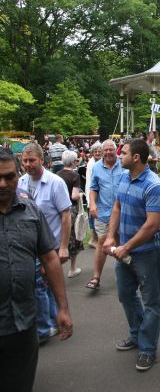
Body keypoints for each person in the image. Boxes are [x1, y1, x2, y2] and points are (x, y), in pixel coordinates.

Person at [0, 148, 73, 392]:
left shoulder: (30, 211)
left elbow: (50, 260)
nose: (3, 184)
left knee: (20, 384)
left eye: (9, 177)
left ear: (17, 175)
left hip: (24, 323)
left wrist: (62, 308)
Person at [103, 138, 160, 372]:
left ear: (136, 157)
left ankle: (148, 349)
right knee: (125, 294)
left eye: (124, 152)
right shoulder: (123, 177)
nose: (119, 155)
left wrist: (126, 247)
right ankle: (137, 334)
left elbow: (152, 225)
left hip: (147, 252)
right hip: (125, 251)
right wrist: (111, 236)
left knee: (151, 303)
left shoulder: (153, 185)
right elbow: (117, 207)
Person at [18, 143, 71, 343]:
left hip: (49, 245)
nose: (28, 164)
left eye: (32, 160)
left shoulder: (55, 182)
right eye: (25, 161)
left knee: (40, 285)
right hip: (28, 245)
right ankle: (53, 320)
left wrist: (64, 246)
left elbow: (65, 215)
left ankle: (44, 327)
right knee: (43, 284)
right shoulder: (21, 182)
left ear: (42, 160)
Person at [86, 140, 124, 290]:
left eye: (111, 150)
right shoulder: (96, 167)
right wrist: (93, 204)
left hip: (122, 212)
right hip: (103, 212)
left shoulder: (124, 166)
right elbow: (93, 188)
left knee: (121, 242)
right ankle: (96, 277)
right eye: (105, 150)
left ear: (116, 151)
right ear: (101, 152)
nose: (108, 152)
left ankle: (123, 274)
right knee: (102, 243)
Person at [57, 150, 84, 278]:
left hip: (57, 209)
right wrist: (81, 195)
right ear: (73, 161)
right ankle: (72, 268)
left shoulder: (57, 174)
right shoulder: (75, 176)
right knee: (73, 238)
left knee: (59, 237)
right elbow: (74, 196)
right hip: (70, 210)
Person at [85, 142, 103, 249]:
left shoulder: (98, 162)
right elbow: (91, 182)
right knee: (93, 216)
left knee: (96, 215)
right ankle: (93, 239)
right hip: (92, 193)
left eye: (99, 152)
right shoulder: (92, 163)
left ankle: (96, 239)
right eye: (95, 151)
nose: (97, 153)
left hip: (96, 193)